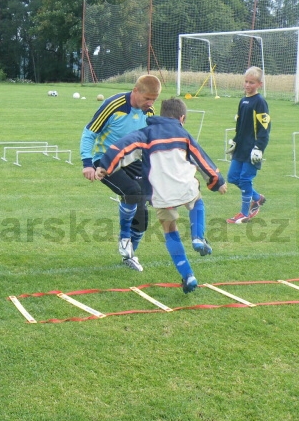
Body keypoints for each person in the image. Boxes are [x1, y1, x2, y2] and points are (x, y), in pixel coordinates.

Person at [96, 98, 226, 294]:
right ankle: (198, 237)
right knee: (197, 202)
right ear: (182, 118)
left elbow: (122, 146)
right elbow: (201, 158)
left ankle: (188, 275)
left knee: (170, 230)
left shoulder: (145, 134)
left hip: (160, 193)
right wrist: (217, 181)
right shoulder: (183, 134)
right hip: (184, 186)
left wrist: (105, 166)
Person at [80, 74, 161, 272]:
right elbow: (89, 133)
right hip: (105, 160)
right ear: (135, 91)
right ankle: (124, 239)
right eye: (147, 98)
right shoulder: (113, 105)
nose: (150, 103)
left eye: (154, 100)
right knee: (131, 191)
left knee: (142, 219)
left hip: (132, 160)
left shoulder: (149, 111)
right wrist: (87, 163)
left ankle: (129, 255)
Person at [225, 66, 271, 224]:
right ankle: (257, 198)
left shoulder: (260, 102)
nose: (247, 85)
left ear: (259, 84)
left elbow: (265, 128)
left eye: (252, 82)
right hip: (241, 148)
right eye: (246, 81)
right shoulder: (243, 101)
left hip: (252, 149)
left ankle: (244, 213)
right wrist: (234, 141)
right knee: (232, 177)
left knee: (245, 179)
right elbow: (239, 126)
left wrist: (259, 148)